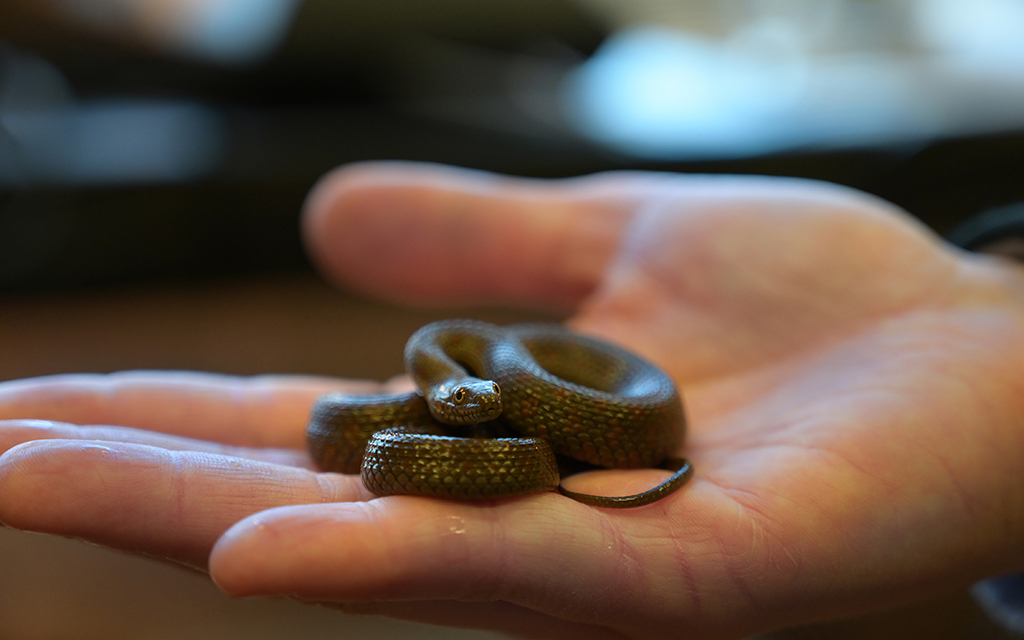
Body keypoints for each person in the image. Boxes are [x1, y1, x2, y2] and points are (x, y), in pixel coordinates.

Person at [0, 161, 1022, 640]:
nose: (473, 410)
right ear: (455, 391)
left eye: (477, 409)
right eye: (465, 407)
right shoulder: (451, 375)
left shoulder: (514, 378)